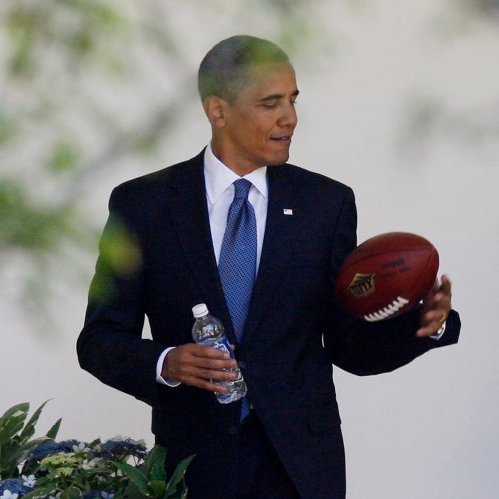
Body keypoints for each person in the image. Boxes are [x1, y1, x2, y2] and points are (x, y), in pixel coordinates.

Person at [76, 35, 460, 499]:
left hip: (301, 470)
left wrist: (423, 325)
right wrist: (167, 362)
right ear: (217, 110)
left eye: (294, 101)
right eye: (270, 103)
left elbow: (349, 345)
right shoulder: (144, 205)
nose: (290, 119)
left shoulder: (326, 205)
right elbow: (98, 340)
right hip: (191, 469)